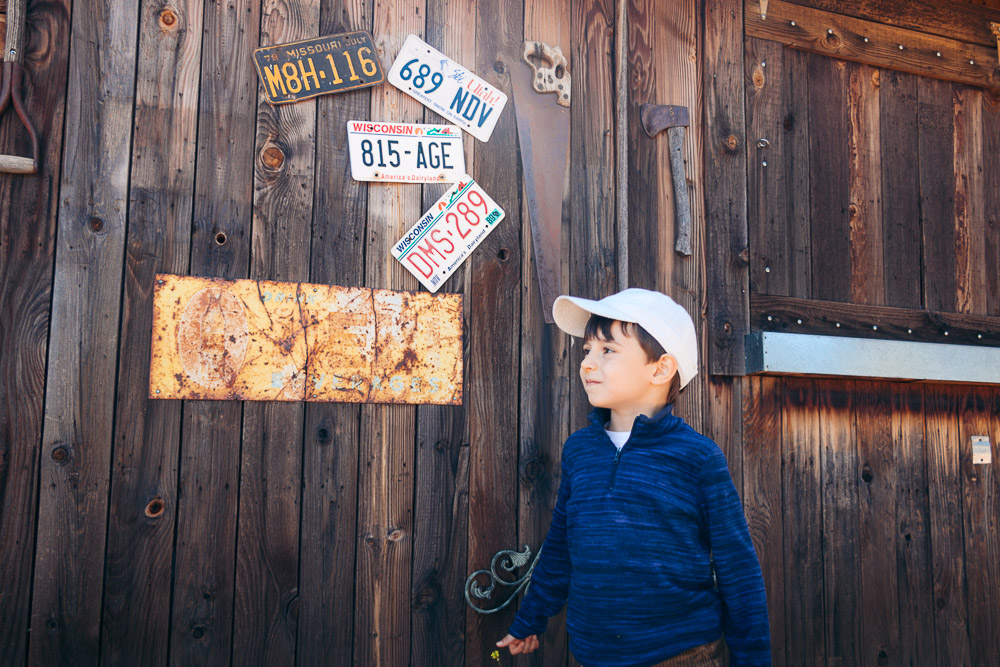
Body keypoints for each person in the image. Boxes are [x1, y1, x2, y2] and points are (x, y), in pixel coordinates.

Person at [496, 288, 771, 666]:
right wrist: (531, 618)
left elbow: (738, 570)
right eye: (587, 350)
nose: (588, 363)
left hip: (679, 654)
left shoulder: (697, 458)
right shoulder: (580, 451)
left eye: (607, 351)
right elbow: (560, 547)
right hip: (594, 655)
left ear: (660, 369)